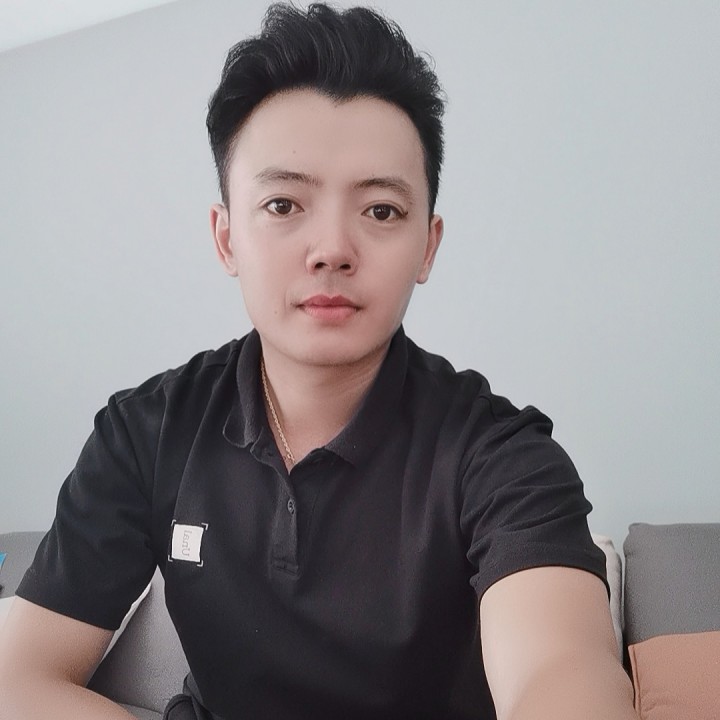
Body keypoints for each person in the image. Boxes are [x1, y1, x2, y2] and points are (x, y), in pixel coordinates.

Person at [0, 3, 637, 719]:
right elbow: (18, 679)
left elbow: (563, 675)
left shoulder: (501, 456)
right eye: (283, 204)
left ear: (427, 247)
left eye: (381, 210)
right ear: (226, 237)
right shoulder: (145, 432)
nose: (331, 249)